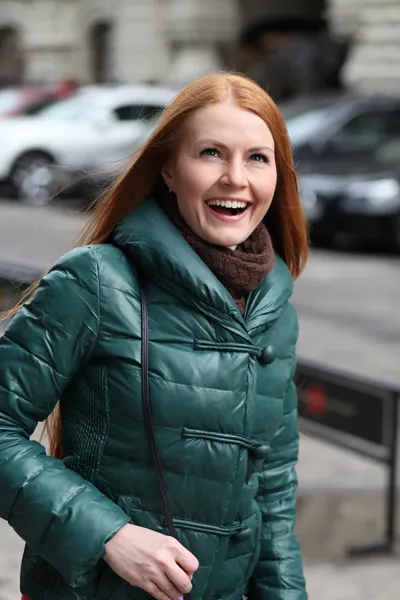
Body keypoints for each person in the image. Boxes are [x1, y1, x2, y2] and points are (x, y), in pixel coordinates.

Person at [0, 72, 308, 600]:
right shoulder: (96, 280)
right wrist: (108, 535)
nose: (236, 177)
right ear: (167, 168)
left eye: (258, 157)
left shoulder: (275, 312)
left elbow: (273, 500)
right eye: (211, 152)